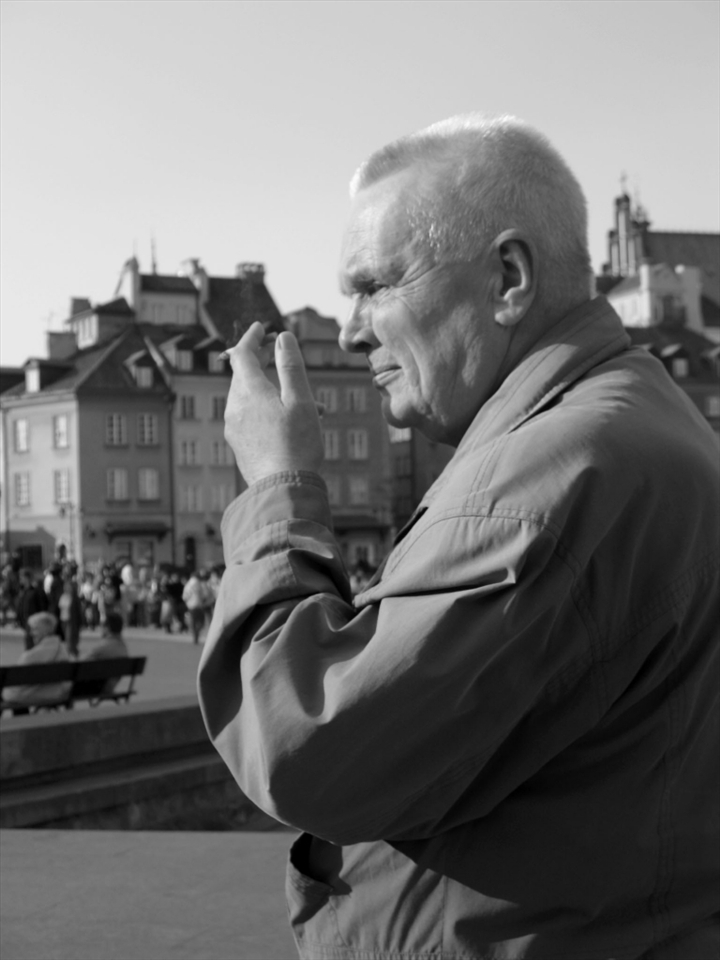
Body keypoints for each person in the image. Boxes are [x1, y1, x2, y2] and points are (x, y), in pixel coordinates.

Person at [197, 116, 719, 960]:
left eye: (375, 285)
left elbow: (311, 750)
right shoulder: (634, 415)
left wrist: (275, 488)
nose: (352, 329)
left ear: (507, 278)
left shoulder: (552, 475)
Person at [3, 611, 72, 711]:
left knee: (11, 694)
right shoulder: (62, 650)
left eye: (34, 629)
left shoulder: (30, 656)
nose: (31, 633)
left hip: (40, 694)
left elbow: (16, 686)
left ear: (45, 631)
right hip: (59, 692)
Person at [80, 611, 129, 696]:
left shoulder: (102, 648)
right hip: (110, 685)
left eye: (102, 625)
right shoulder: (123, 647)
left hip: (95, 687)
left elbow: (81, 663)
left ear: (107, 628)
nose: (100, 628)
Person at [57, 579, 83, 657]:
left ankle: (71, 656)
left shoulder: (75, 598)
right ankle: (73, 654)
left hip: (71, 621)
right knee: (67, 640)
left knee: (70, 641)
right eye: (66, 587)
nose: (67, 588)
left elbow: (79, 612)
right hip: (63, 620)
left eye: (68, 587)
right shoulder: (63, 596)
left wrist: (80, 623)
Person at [182, 571, 209, 644]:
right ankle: (197, 631)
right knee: (201, 621)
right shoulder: (201, 584)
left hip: (191, 606)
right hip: (199, 606)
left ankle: (195, 635)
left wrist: (188, 601)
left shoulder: (188, 585)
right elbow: (205, 595)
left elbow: (184, 597)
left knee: (193, 621)